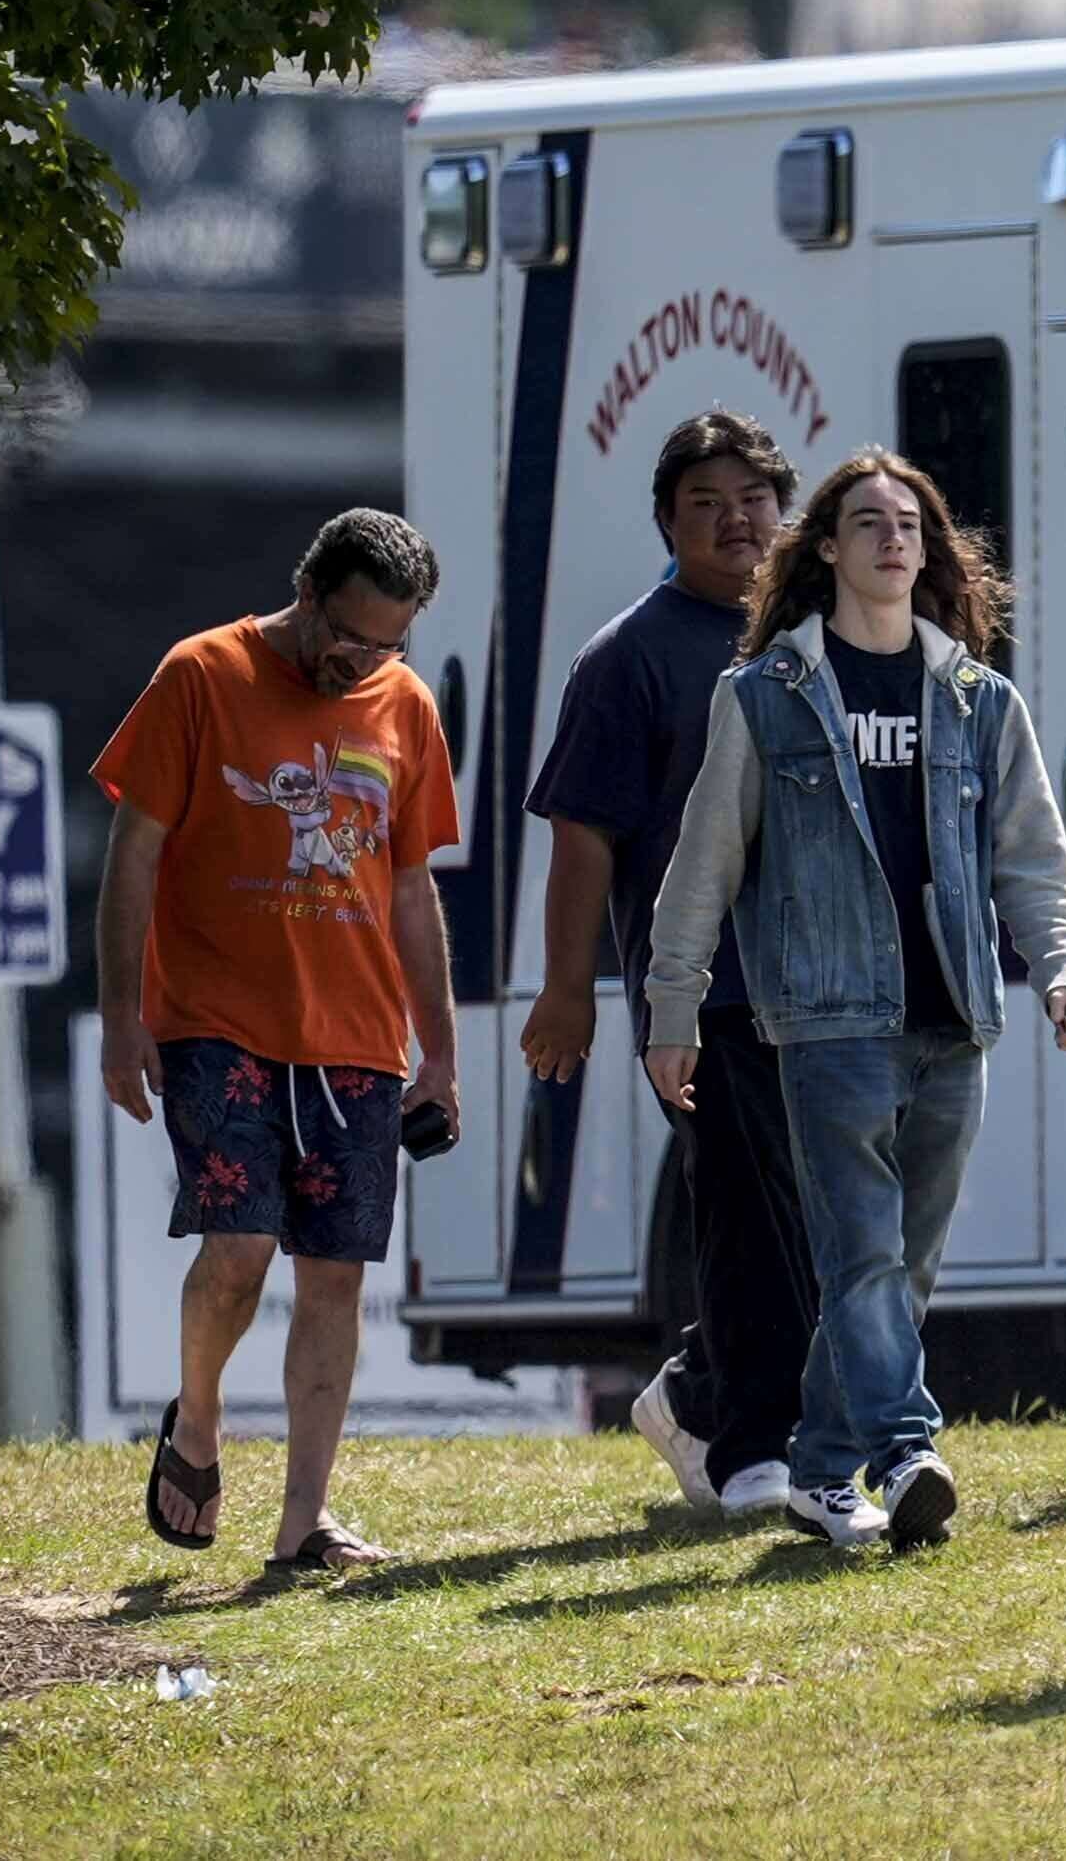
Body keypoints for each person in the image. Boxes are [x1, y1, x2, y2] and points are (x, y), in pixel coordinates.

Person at [643, 451, 1066, 1554]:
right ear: (828, 550)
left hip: (954, 1016)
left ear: (929, 553)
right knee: (862, 1257)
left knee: (907, 1261)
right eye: (868, 522)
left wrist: (1062, 966)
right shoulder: (766, 697)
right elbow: (704, 862)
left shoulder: (981, 701)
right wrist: (673, 1006)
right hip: (829, 1016)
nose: (894, 539)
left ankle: (816, 1471)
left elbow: (1031, 851)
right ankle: (905, 1447)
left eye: (910, 524)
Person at [99, 509, 461, 1573]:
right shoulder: (200, 674)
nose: (361, 660)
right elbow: (132, 856)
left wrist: (436, 1049)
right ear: (307, 594)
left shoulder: (405, 705)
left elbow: (409, 887)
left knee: (336, 1273)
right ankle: (199, 1421)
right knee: (241, 1248)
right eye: (347, 635)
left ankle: (305, 1518)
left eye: (386, 643)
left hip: (355, 1033)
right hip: (216, 1018)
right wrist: (123, 1017)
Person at [522, 412, 805, 1519]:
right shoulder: (629, 654)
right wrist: (568, 987)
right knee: (746, 1215)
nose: (736, 521)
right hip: (704, 988)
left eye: (754, 498)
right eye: (706, 503)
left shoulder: (821, 634)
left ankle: (692, 1391)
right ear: (667, 523)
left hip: (828, 986)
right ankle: (745, 1445)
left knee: (824, 1221)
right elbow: (583, 834)